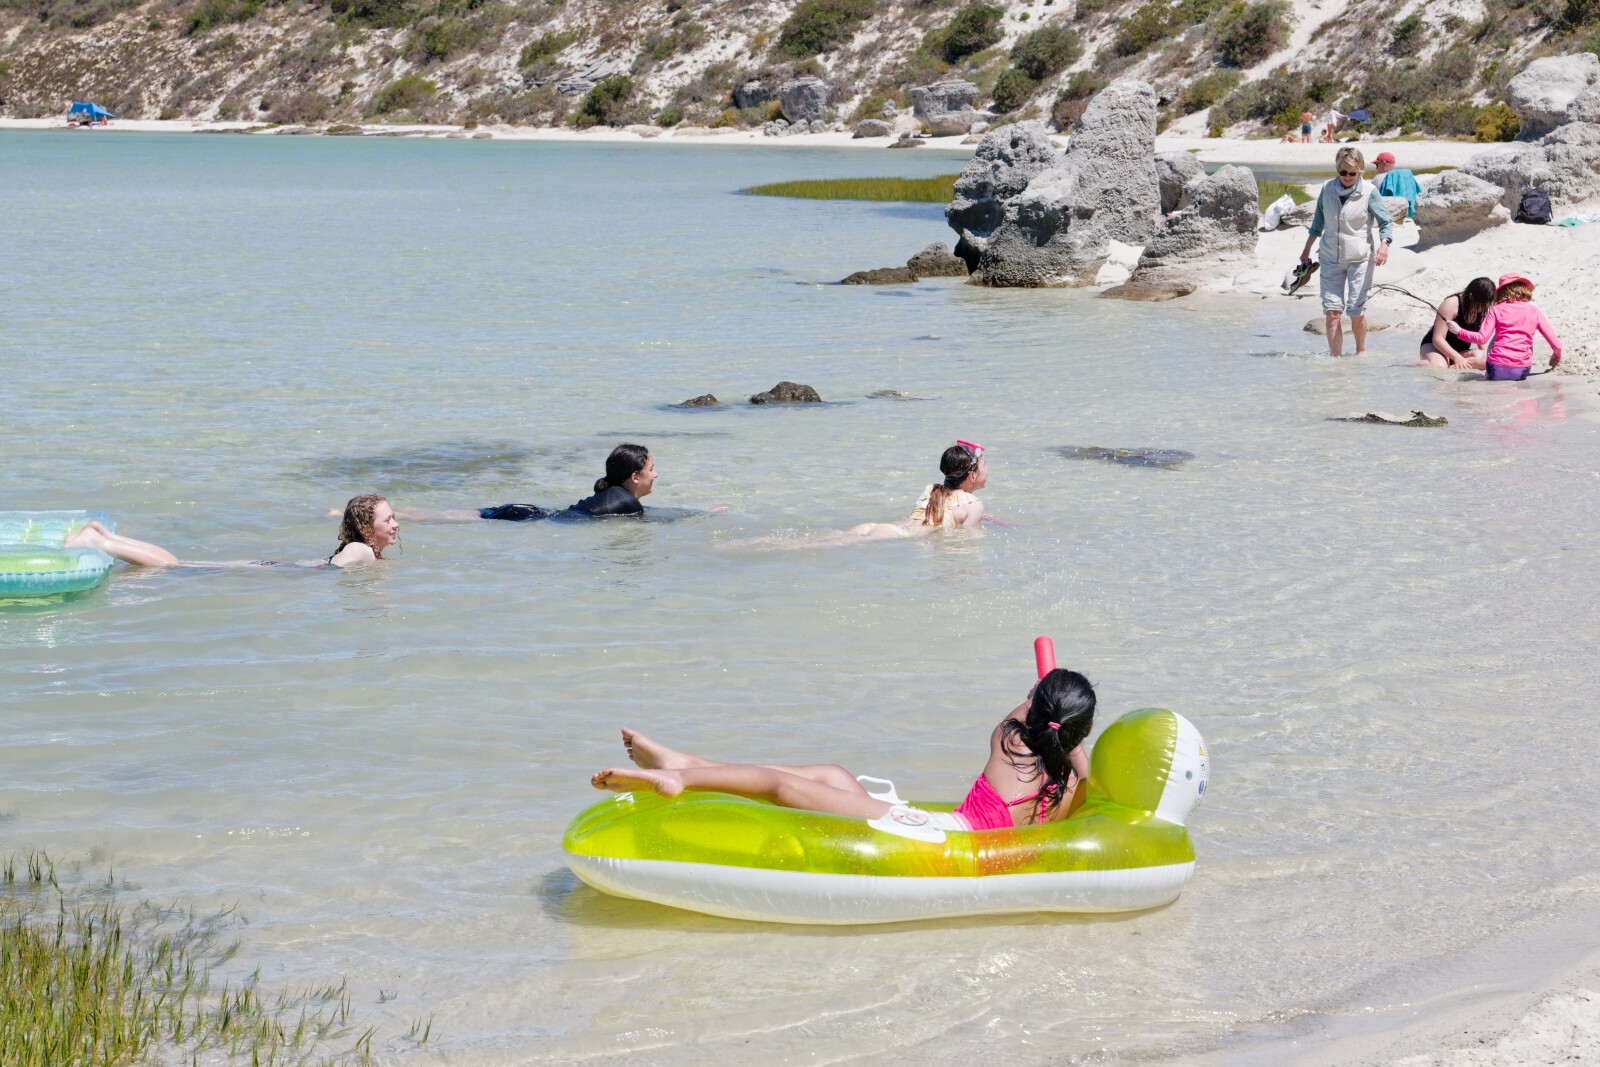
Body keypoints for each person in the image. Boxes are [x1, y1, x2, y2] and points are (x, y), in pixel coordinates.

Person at [592, 666, 1096, 831]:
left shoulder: (1008, 742)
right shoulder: (1068, 793)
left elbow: (1027, 711)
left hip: (940, 837)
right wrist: (1075, 741)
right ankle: (689, 764)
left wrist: (1043, 688)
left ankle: (676, 778)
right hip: (947, 835)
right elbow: (1079, 765)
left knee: (784, 786)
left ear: (1034, 709)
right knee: (832, 775)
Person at [63, 494, 398, 568]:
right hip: (275, 571)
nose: (396, 524)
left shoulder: (366, 551)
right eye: (388, 520)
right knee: (175, 567)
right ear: (366, 528)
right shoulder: (362, 549)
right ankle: (100, 540)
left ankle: (104, 537)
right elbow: (336, 568)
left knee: (181, 565)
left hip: (275, 568)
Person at [400, 443, 658, 523]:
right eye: (651, 469)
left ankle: (397, 513)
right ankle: (397, 514)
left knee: (452, 515)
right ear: (635, 477)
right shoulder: (628, 503)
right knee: (452, 518)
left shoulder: (616, 495)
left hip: (528, 512)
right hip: (527, 516)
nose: (655, 475)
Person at [1300, 146, 1394, 357]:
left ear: (1360, 170)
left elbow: (1386, 222)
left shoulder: (1369, 192)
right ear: (1337, 169)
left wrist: (1384, 245)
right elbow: (1317, 222)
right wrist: (1306, 250)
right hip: (1329, 257)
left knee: (1356, 312)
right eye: (1343, 172)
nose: (1348, 176)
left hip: (1360, 259)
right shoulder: (1327, 189)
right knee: (1332, 312)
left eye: (1353, 172)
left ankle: (1361, 352)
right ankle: (1336, 362)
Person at [848, 441, 990, 541]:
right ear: (972, 476)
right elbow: (964, 539)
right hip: (893, 536)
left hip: (880, 528)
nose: (987, 469)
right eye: (984, 465)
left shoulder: (932, 489)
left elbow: (945, 510)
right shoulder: (975, 506)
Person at [1447, 273, 1563, 381]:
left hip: (1495, 369)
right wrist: (1557, 356)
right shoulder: (1534, 311)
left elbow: (1482, 338)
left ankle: (1487, 376)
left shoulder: (1495, 310)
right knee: (1525, 338)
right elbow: (1556, 344)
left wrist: (1459, 331)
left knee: (1498, 336)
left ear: (1502, 292)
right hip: (1521, 371)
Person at [1418, 277, 1494, 369]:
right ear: (1471, 296)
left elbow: (1480, 338)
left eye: (1486, 305)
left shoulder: (1483, 310)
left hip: (1460, 350)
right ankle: (1411, 366)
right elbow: (1437, 338)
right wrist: (1457, 357)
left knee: (1485, 359)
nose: (1483, 309)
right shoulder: (1451, 304)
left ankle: (1449, 366)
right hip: (1435, 347)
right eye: (1482, 305)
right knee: (1439, 366)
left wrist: (1487, 358)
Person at [1373, 151, 1421, 219]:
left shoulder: (1378, 178)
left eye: (1377, 165)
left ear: (1384, 163)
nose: (1376, 168)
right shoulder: (1406, 175)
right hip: (1409, 213)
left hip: (1389, 213)